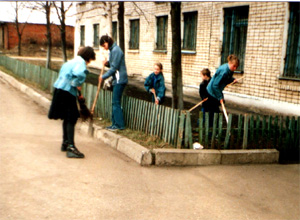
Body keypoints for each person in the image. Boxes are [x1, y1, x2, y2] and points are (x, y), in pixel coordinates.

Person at [48, 46, 96, 158]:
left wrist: (77, 90)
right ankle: (71, 147)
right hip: (67, 91)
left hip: (59, 90)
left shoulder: (71, 61)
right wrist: (77, 84)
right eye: (90, 60)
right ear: (88, 57)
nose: (88, 63)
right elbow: (79, 74)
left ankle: (65, 143)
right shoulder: (81, 63)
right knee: (72, 117)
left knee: (67, 116)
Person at [99, 35, 128, 131]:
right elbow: (112, 65)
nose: (104, 47)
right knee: (115, 102)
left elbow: (114, 68)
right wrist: (106, 63)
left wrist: (103, 77)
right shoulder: (113, 50)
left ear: (107, 41)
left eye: (104, 45)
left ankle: (120, 125)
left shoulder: (116, 50)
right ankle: (114, 124)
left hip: (120, 80)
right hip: (117, 79)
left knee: (116, 102)